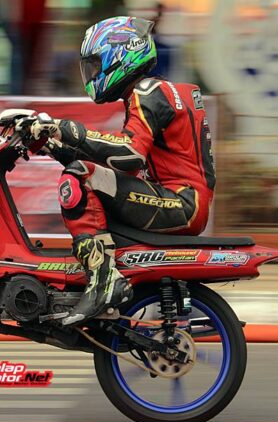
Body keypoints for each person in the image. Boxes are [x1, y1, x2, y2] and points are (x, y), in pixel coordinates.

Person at [29, 16, 215, 326]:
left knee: (78, 178)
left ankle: (103, 279)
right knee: (86, 175)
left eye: (95, 64)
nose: (92, 74)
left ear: (121, 55)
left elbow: (130, 156)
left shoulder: (147, 91)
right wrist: (52, 145)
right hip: (182, 200)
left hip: (181, 201)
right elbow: (114, 162)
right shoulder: (156, 92)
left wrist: (63, 128)